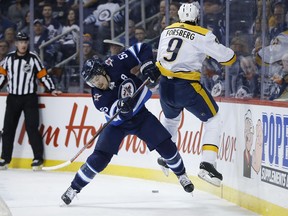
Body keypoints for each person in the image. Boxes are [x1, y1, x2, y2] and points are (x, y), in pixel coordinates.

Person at [61, 42, 194, 205]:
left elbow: (141, 48)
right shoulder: (98, 97)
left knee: (167, 146)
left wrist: (146, 65)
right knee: (99, 158)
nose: (97, 84)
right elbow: (115, 117)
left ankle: (181, 175)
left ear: (101, 70)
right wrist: (122, 109)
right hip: (117, 125)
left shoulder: (114, 63)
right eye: (92, 82)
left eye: (96, 78)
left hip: (141, 117)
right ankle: (74, 188)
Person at [155, 3, 236, 187]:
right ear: (197, 17)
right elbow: (228, 58)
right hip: (186, 86)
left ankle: (166, 156)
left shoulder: (168, 29)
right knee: (213, 119)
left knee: (171, 120)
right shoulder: (203, 34)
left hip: (165, 86)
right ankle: (208, 164)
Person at [0, 32, 60, 170]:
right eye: (20, 42)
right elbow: (2, 76)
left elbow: (42, 75)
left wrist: (51, 89)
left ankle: (38, 158)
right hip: (13, 97)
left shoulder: (33, 58)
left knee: (32, 128)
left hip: (29, 98)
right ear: (16, 44)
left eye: (25, 42)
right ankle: (5, 158)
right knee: (8, 129)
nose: (23, 45)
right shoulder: (8, 59)